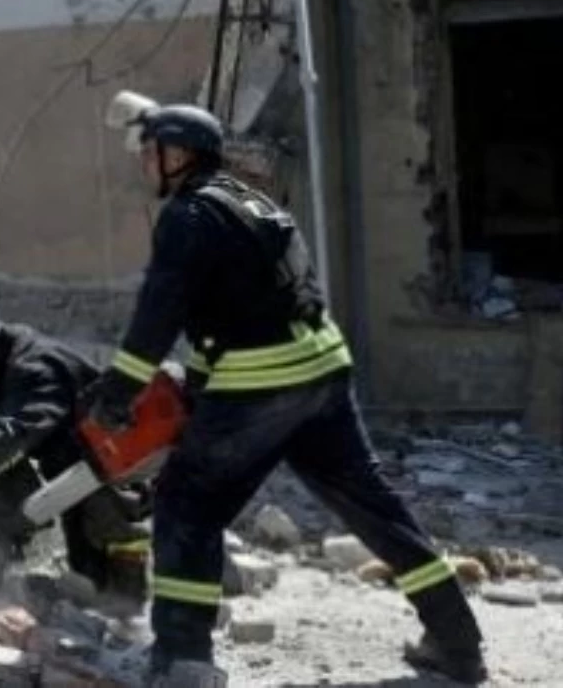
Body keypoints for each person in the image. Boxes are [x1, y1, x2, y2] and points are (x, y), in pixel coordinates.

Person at [90, 94, 486, 686]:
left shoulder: (188, 215)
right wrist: (199, 383)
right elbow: (261, 296)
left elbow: (159, 310)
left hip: (260, 381)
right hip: (322, 369)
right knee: (375, 508)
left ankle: (183, 658)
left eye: (152, 152)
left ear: (181, 156)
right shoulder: (252, 200)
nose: (146, 163)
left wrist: (119, 391)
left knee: (186, 503)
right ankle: (458, 643)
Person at [0, 289, 150, 605]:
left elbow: (8, 438)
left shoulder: (36, 370)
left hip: (104, 478)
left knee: (102, 592)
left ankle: (122, 584)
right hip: (67, 471)